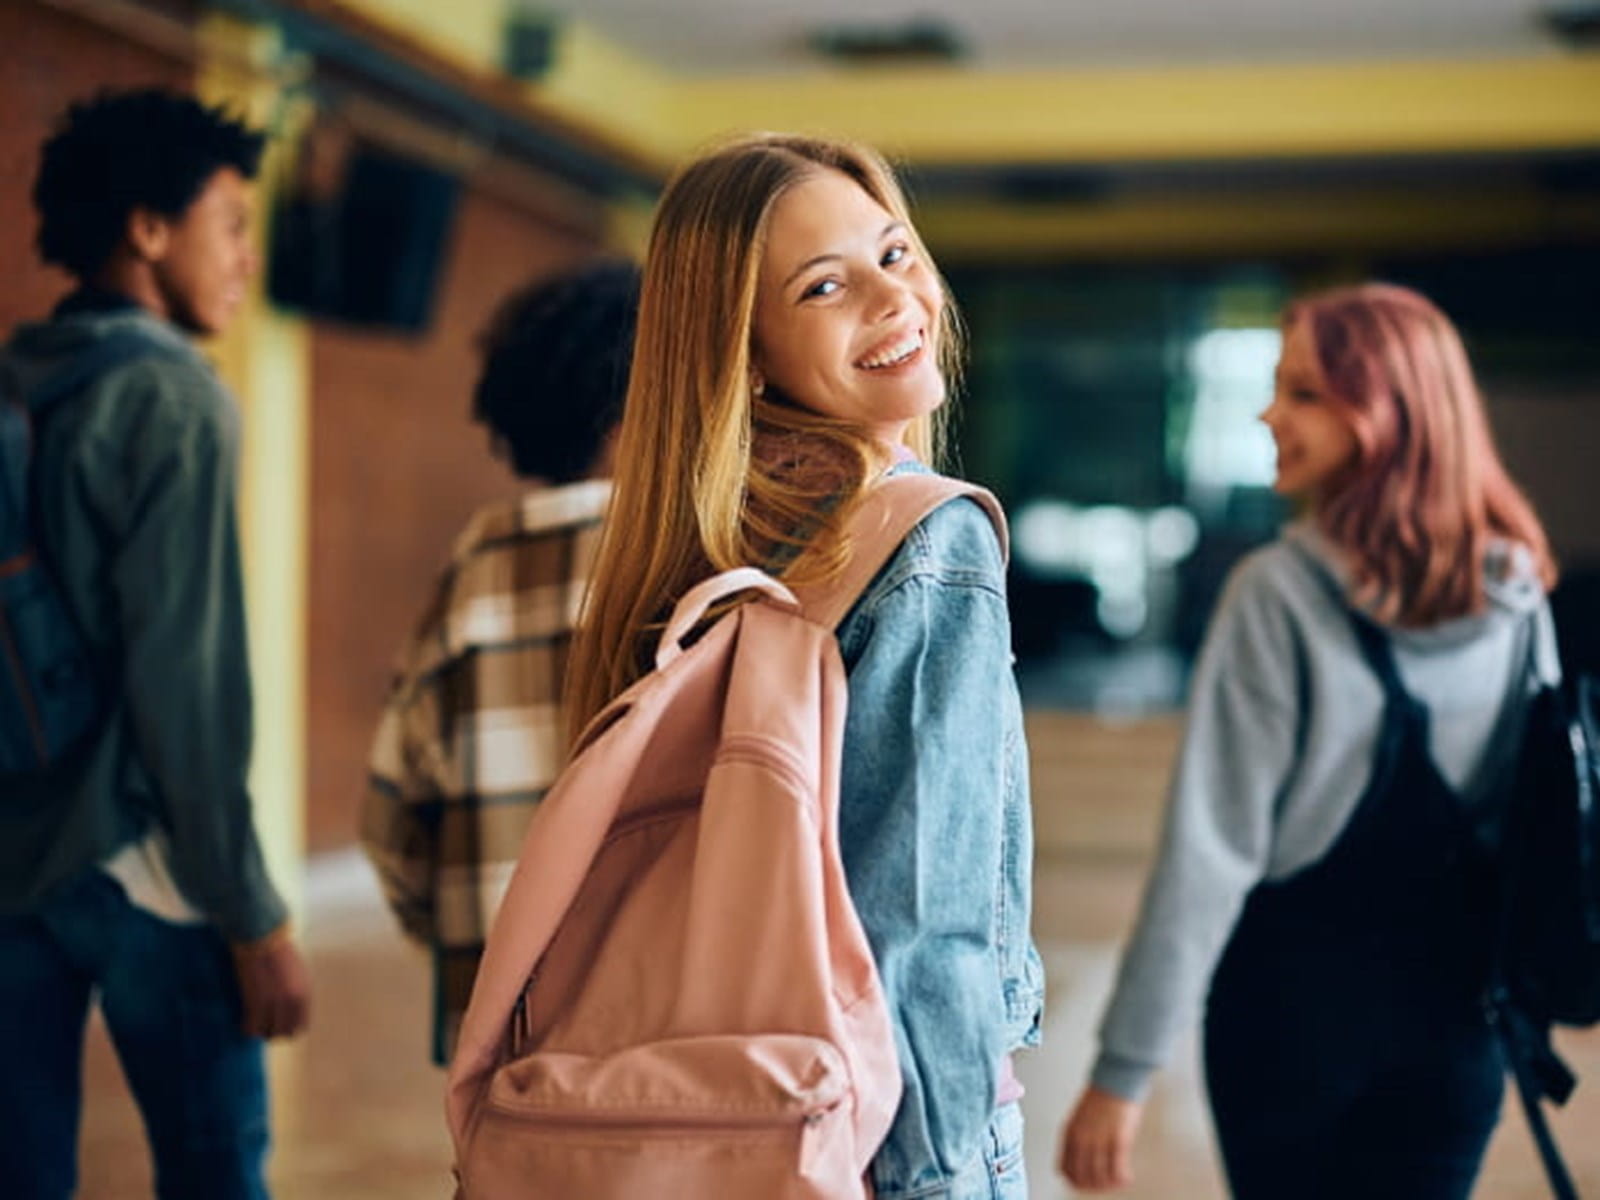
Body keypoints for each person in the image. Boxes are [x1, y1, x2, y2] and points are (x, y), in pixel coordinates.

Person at [560, 133, 1045, 1200]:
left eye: (895, 252)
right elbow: (919, 926)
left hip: (710, 1109)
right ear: (746, 349)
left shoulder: (695, 542)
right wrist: (940, 1172)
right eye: (825, 285)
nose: (892, 296)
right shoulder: (924, 538)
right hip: (884, 1134)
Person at [1059, 283, 1559, 1199]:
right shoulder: (1517, 582)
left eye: (1304, 394)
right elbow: (1546, 808)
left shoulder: (1277, 591)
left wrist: (1120, 1074)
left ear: (1384, 417)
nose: (1268, 413)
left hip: (1294, 1021)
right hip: (1461, 1026)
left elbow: (1208, 857)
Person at [0, 89, 310, 1198]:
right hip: (140, 865)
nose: (245, 256)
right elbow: (189, 687)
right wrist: (253, 915)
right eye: (229, 222)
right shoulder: (174, 398)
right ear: (147, 230)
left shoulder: (17, 376)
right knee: (213, 1168)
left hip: (12, 853)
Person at [361, 260, 640, 1065]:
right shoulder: (707, 558)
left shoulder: (477, 567)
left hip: (502, 1030)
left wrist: (463, 937)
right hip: (672, 1028)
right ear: (644, 396)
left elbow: (393, 812)